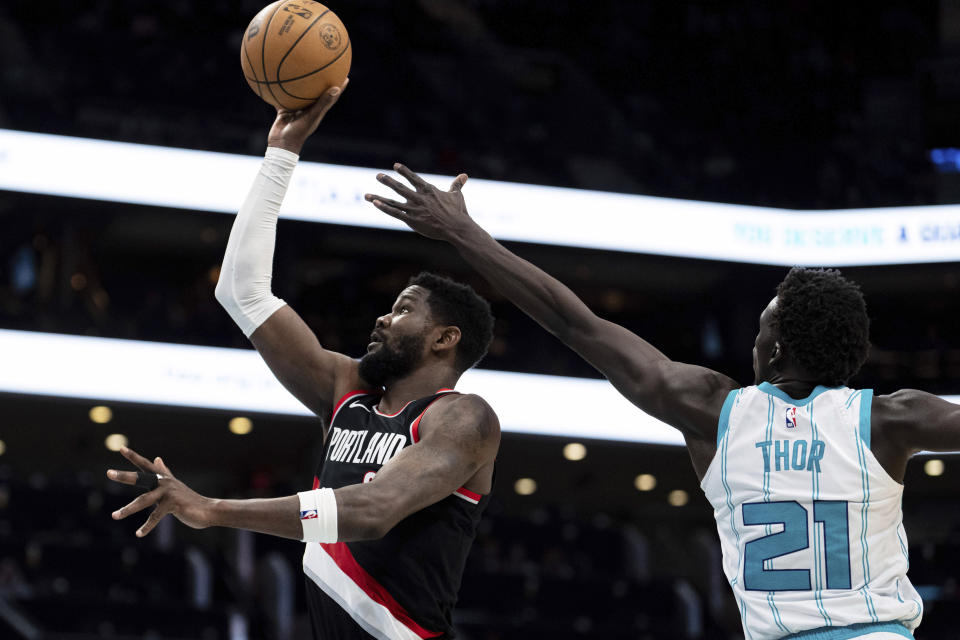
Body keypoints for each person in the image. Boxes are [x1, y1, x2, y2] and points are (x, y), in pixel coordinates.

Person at [366, 165, 960, 640]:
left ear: (774, 352)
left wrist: (462, 233)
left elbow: (573, 322)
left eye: (758, 332)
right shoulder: (891, 418)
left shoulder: (714, 410)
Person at [107, 87, 500, 640]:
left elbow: (376, 509)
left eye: (403, 310)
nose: (383, 320)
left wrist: (213, 509)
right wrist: (281, 154)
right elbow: (242, 292)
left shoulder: (463, 419)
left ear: (445, 339)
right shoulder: (345, 390)